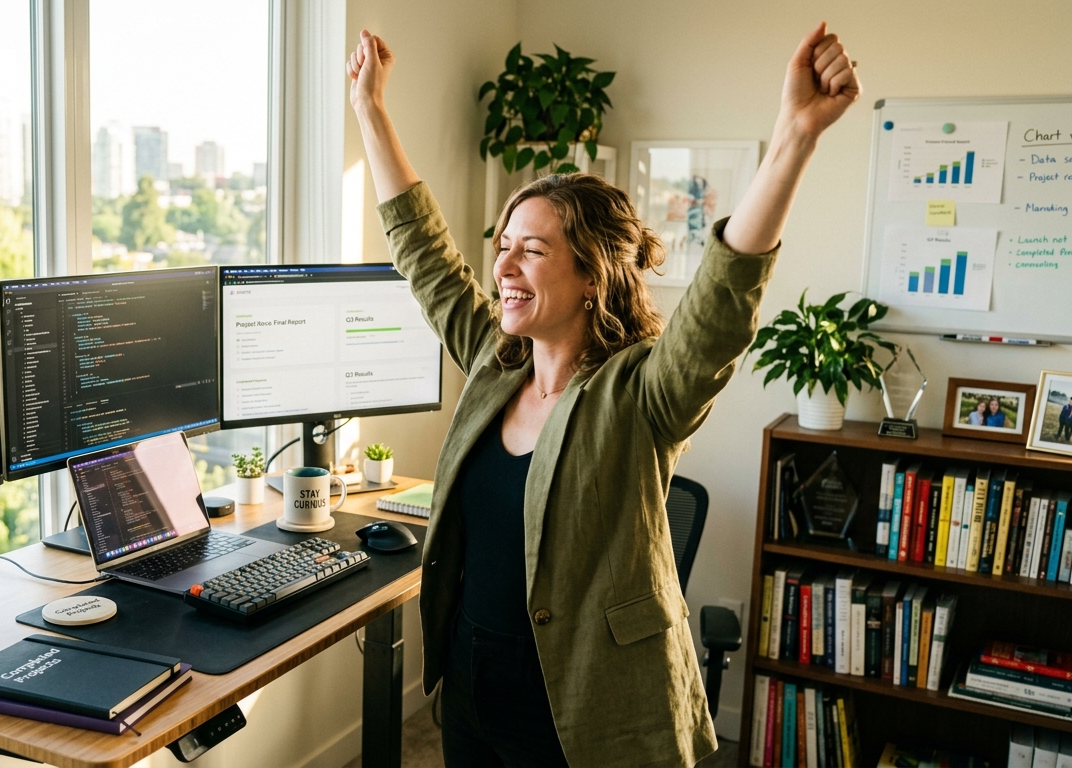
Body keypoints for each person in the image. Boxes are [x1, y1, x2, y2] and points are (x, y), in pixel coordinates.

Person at [348, 22, 860, 766]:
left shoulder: (643, 395)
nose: (505, 266)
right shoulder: (495, 362)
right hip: (469, 690)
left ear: (591, 276)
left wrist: (795, 136)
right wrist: (369, 108)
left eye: (534, 248)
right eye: (503, 247)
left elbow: (720, 305)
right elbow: (422, 251)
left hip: (588, 713)